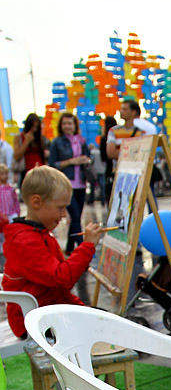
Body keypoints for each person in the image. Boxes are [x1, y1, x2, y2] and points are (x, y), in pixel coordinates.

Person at [2, 166, 102, 339]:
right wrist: (87, 246)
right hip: (34, 320)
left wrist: (84, 309)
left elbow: (59, 289)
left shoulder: (38, 233)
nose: (64, 215)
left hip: (47, 310)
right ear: (36, 202)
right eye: (60, 208)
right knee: (102, 329)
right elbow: (61, 278)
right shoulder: (25, 241)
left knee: (104, 320)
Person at [48, 112, 92, 255]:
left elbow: (89, 158)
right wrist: (71, 161)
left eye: (70, 123)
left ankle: (69, 247)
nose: (67, 126)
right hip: (66, 184)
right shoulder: (57, 142)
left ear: (75, 125)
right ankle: (82, 249)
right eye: (65, 123)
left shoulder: (81, 140)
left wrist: (86, 160)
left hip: (81, 182)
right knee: (74, 216)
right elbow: (52, 164)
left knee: (76, 217)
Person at [12, 113, 47, 182]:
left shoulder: (40, 138)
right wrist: (26, 142)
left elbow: (42, 156)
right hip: (26, 172)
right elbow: (16, 156)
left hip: (40, 170)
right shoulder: (19, 137)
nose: (34, 129)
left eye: (36, 127)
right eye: (32, 126)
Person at [0, 162, 20, 264]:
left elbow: (15, 201)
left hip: (10, 215)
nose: (4, 176)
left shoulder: (11, 188)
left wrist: (17, 213)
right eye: (2, 174)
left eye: (5, 174)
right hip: (1, 217)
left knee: (10, 237)